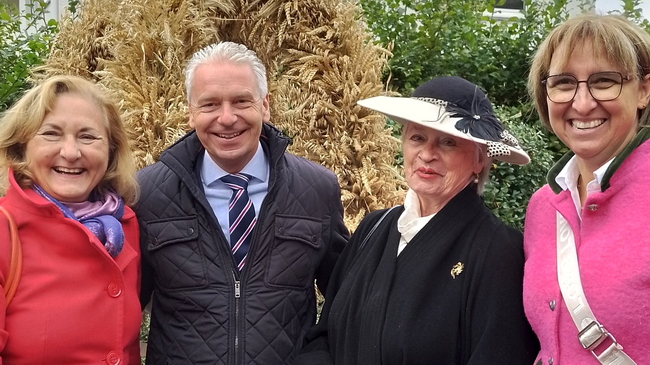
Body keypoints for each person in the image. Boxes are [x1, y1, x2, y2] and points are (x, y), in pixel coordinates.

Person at [294, 76, 540, 365]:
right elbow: (324, 335)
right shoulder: (373, 229)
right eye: (417, 138)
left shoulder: (498, 251)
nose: (426, 154)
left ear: (479, 161)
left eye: (448, 142)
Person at [135, 41, 349, 364]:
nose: (227, 117)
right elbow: (121, 306)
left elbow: (346, 300)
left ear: (265, 105)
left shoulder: (316, 189)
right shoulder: (147, 194)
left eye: (241, 101)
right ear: (190, 112)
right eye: (209, 104)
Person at [524, 14, 650, 365]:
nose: (582, 104)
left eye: (604, 81)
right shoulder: (543, 206)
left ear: (643, 90)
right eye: (564, 83)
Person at [0, 75, 141, 364]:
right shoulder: (5, 229)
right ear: (21, 146)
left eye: (88, 137)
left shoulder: (125, 225)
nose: (71, 152)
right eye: (51, 134)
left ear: (111, 150)